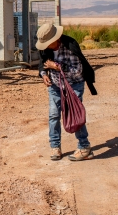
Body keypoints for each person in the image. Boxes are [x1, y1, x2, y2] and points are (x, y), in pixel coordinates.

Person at [36, 23, 97, 161]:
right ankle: (55, 146)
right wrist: (43, 74)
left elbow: (77, 71)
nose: (44, 46)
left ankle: (84, 147)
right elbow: (42, 62)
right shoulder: (45, 48)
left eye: (47, 43)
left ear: (55, 40)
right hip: (55, 85)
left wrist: (57, 67)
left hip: (74, 85)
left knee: (74, 114)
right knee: (53, 115)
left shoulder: (70, 45)